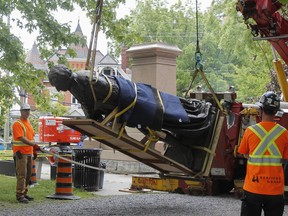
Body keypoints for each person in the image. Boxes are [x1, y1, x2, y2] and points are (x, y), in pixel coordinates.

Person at [238, 91, 288, 216]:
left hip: (253, 188)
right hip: (275, 190)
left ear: (260, 110)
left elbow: (244, 154)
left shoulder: (250, 131)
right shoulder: (284, 134)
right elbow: (285, 157)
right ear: (276, 112)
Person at [12, 103, 41, 204]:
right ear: (21, 112)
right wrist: (34, 145)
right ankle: (19, 195)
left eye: (28, 110)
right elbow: (22, 138)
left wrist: (33, 150)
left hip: (28, 153)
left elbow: (31, 138)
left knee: (28, 175)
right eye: (25, 110)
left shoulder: (28, 123)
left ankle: (24, 193)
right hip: (21, 153)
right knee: (22, 174)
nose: (27, 112)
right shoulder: (17, 124)